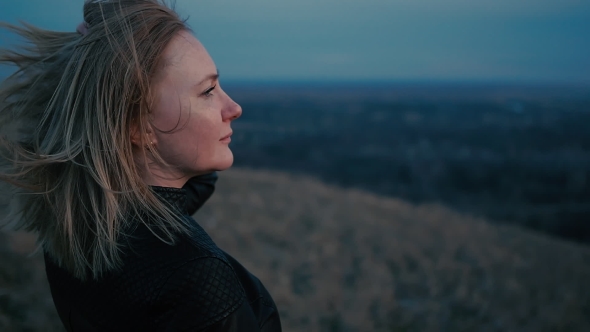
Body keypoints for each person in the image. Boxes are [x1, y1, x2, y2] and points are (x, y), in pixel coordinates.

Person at [0, 0, 282, 331]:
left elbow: (193, 185)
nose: (233, 107)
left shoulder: (79, 218)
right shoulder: (198, 276)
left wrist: (108, 46)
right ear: (136, 126)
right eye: (207, 91)